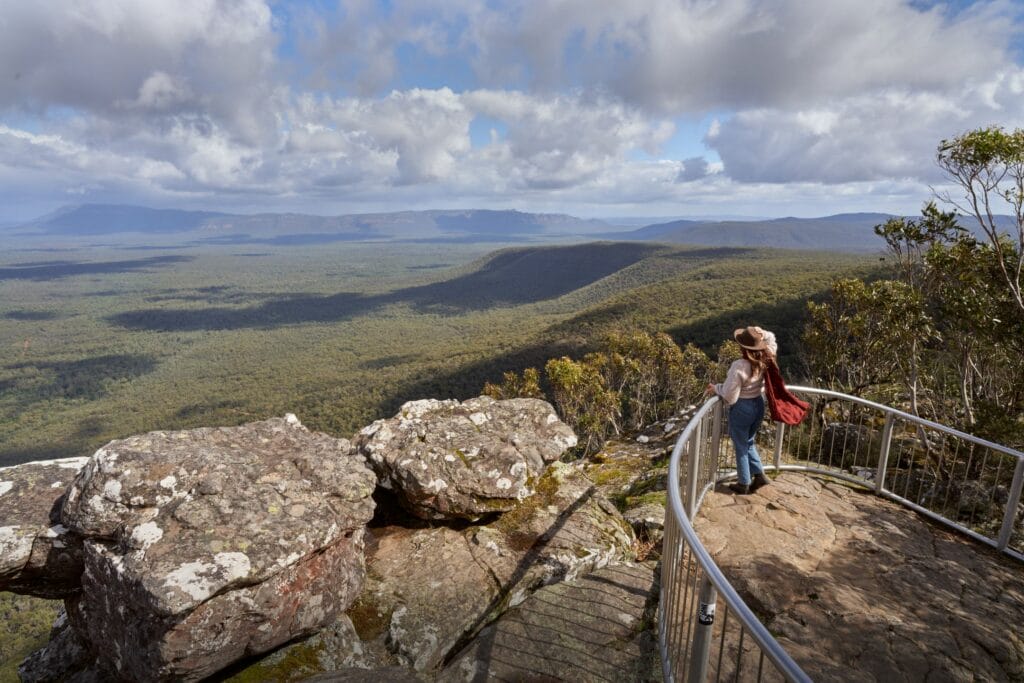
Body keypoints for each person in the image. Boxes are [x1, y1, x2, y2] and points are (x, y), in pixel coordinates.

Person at [705, 326, 778, 495]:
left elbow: (731, 396)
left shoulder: (739, 366)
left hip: (742, 409)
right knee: (748, 442)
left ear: (742, 348)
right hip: (758, 405)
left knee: (740, 446)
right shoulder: (766, 358)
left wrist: (716, 388)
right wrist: (763, 334)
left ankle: (744, 482)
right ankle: (759, 476)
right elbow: (772, 340)